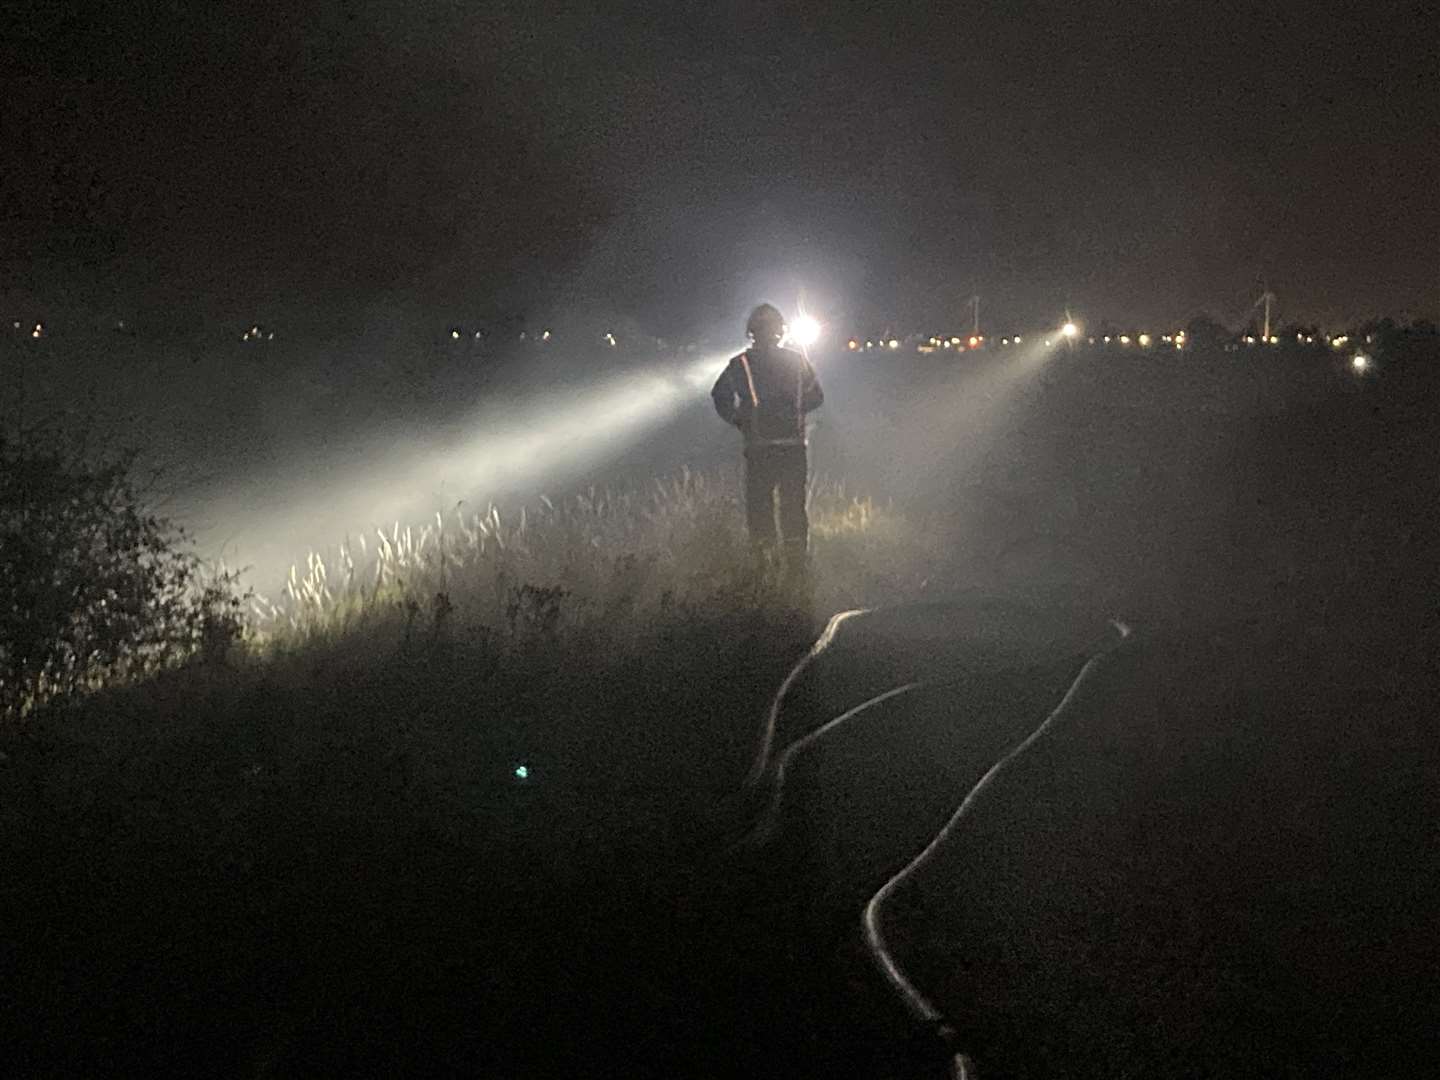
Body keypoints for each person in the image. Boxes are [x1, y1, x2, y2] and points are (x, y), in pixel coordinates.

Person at [711, 304, 824, 567]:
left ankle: (765, 565)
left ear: (752, 332)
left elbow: (720, 396)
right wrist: (795, 412)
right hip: (793, 448)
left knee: (760, 508)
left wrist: (740, 420)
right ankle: (797, 565)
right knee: (793, 507)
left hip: (759, 448)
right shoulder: (798, 361)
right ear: (781, 330)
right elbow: (816, 396)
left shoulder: (740, 363)